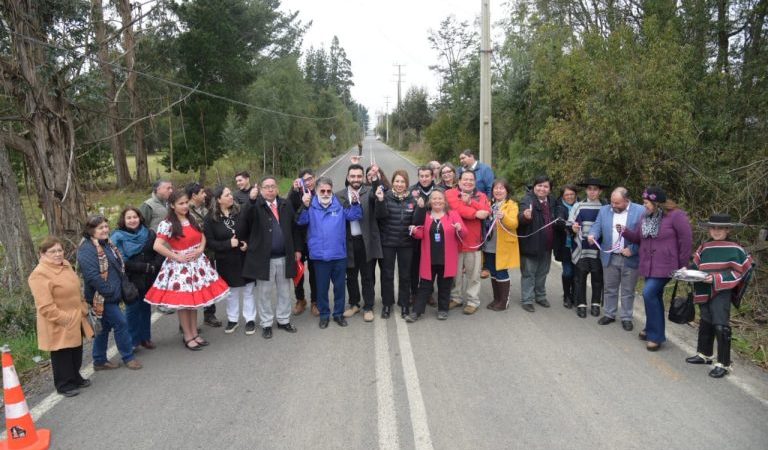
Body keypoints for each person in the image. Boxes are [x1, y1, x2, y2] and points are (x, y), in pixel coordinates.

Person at [145, 190, 230, 350]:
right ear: (172, 205)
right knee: (184, 304)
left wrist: (200, 249)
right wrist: (176, 257)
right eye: (180, 204)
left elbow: (202, 236)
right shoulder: (167, 223)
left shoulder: (191, 218)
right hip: (180, 268)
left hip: (197, 264)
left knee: (193, 303)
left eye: (186, 202)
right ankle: (187, 336)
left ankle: (195, 334)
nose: (184, 206)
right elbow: (157, 245)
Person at [621, 186, 692, 351]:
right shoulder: (646, 216)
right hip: (648, 265)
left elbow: (686, 240)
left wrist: (683, 266)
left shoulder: (676, 216)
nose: (644, 205)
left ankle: (656, 336)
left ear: (657, 203)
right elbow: (638, 237)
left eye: (646, 202)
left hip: (667, 265)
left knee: (648, 293)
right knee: (654, 296)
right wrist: (624, 231)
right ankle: (650, 327)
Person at [685, 214, 753, 378]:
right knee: (706, 321)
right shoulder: (705, 246)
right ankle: (704, 354)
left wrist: (716, 278)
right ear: (709, 229)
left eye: (720, 228)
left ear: (728, 229)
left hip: (722, 291)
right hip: (703, 288)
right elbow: (697, 265)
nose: (716, 231)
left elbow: (742, 271)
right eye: (713, 227)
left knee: (720, 325)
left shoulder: (735, 248)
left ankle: (724, 363)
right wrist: (686, 271)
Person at [29, 236, 94, 397]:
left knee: (76, 350)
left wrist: (83, 307)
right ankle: (64, 385)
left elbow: (75, 289)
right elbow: (45, 306)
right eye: (53, 251)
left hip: (76, 315)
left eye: (60, 250)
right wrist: (65, 319)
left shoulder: (65, 265)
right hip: (58, 321)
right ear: (42, 254)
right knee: (62, 354)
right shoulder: (39, 274)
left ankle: (75, 377)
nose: (58, 254)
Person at [77, 215, 142, 370]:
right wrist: (109, 291)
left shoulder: (106, 244)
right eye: (100, 228)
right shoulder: (86, 249)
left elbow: (117, 266)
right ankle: (128, 357)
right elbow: (92, 276)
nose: (105, 230)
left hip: (112, 294)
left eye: (106, 226)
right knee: (121, 323)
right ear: (91, 230)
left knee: (105, 327)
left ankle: (99, 360)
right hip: (101, 297)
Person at [239, 176, 301, 339]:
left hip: (284, 257)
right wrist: (251, 201)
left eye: (273, 186)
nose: (270, 189)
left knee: (284, 292)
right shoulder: (254, 206)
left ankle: (283, 320)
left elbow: (295, 228)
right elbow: (243, 223)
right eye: (266, 187)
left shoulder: (285, 205)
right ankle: (266, 323)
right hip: (264, 259)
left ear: (277, 188)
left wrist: (298, 249)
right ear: (260, 189)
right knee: (264, 293)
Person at [297, 176, 363, 328]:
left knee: (340, 287)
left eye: (328, 190)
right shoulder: (310, 205)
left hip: (338, 255)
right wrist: (304, 205)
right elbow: (300, 221)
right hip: (319, 257)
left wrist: (355, 203)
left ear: (332, 191)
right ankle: (325, 315)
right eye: (322, 191)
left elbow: (355, 215)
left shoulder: (339, 204)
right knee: (322, 288)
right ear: (317, 191)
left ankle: (338, 314)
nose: (326, 193)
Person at [588, 187, 644, 331]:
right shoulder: (605, 210)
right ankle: (609, 314)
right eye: (612, 202)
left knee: (628, 290)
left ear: (626, 200)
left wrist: (633, 249)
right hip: (610, 256)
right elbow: (597, 226)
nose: (613, 206)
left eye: (617, 203)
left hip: (630, 258)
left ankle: (626, 317)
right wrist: (592, 234)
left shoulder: (640, 211)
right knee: (609, 288)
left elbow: (645, 236)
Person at [204, 186, 256, 335]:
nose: (231, 197)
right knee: (232, 292)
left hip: (244, 257)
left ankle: (250, 319)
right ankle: (233, 319)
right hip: (226, 260)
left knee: (248, 290)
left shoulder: (240, 212)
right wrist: (227, 244)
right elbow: (210, 243)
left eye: (231, 194)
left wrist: (247, 243)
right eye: (227, 195)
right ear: (219, 199)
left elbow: (252, 230)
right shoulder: (210, 219)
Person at [407, 190, 465, 321]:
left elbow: (464, 233)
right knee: (424, 287)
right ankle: (417, 311)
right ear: (430, 202)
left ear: (444, 201)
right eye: (434, 199)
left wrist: (459, 228)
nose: (437, 201)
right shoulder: (426, 215)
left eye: (440, 198)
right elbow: (421, 234)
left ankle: (443, 310)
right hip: (430, 258)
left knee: (445, 286)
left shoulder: (453, 214)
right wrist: (414, 231)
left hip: (447, 259)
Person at [111, 207, 164, 350]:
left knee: (146, 307)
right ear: (124, 220)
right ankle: (132, 342)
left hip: (148, 278)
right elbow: (120, 260)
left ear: (140, 217)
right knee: (132, 310)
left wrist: (154, 265)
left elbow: (159, 251)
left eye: (135, 217)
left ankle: (145, 338)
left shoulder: (149, 233)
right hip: (130, 279)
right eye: (129, 218)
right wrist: (143, 267)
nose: (132, 220)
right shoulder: (117, 237)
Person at [337, 164, 382, 320]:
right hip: (348, 243)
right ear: (348, 177)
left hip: (366, 242)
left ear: (363, 177)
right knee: (351, 276)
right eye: (353, 176)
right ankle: (354, 304)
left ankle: (368, 307)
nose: (356, 179)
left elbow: (377, 193)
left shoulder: (369, 192)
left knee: (367, 276)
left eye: (358, 176)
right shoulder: (339, 195)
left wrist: (375, 179)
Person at [445, 169, 491, 314]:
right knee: (455, 274)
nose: (468, 182)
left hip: (474, 242)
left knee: (474, 275)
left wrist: (470, 202)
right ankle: (456, 298)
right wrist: (475, 213)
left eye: (471, 180)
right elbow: (456, 208)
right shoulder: (450, 193)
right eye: (465, 179)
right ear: (458, 181)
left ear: (475, 182)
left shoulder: (481, 195)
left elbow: (486, 211)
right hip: (455, 241)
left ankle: (473, 301)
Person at [375, 170, 418, 319]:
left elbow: (416, 222)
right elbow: (380, 216)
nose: (399, 184)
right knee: (387, 275)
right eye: (397, 181)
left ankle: (404, 304)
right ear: (392, 182)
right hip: (388, 243)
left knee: (405, 275)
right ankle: (387, 304)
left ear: (407, 184)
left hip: (406, 244)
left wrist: (421, 206)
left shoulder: (413, 200)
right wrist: (380, 201)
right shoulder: (385, 197)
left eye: (402, 182)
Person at [569, 178, 608, 318]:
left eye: (595, 189)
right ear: (586, 190)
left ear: (600, 191)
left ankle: (596, 303)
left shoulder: (605, 208)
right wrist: (573, 228)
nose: (592, 192)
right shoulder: (578, 206)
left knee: (597, 278)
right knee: (580, 277)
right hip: (582, 247)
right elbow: (570, 223)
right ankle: (581, 304)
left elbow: (608, 228)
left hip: (598, 248)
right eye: (590, 189)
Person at [517, 175, 557, 312]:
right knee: (529, 273)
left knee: (543, 272)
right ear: (534, 187)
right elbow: (521, 216)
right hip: (531, 245)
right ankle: (527, 299)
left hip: (547, 245)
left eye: (545, 186)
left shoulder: (552, 201)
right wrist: (525, 216)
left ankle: (540, 296)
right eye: (539, 185)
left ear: (550, 189)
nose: (542, 189)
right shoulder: (527, 200)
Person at [186, 182, 221, 328]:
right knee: (189, 288)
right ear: (194, 195)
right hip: (191, 256)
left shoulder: (207, 208)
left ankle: (209, 314)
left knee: (209, 284)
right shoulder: (185, 210)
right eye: (202, 193)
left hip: (208, 253)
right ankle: (186, 323)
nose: (205, 194)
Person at [483, 179, 520, 311]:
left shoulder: (511, 205)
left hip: (503, 246)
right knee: (493, 271)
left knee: (501, 272)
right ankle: (496, 299)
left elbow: (513, 224)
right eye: (496, 188)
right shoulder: (488, 204)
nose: (498, 190)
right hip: (489, 245)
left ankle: (504, 302)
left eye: (501, 188)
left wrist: (503, 216)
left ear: (507, 191)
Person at [288, 168, 318, 316]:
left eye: (311, 178)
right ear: (300, 181)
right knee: (298, 271)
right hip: (298, 239)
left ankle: (315, 301)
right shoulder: (296, 194)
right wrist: (294, 190)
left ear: (315, 178)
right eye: (305, 180)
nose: (309, 182)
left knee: (315, 272)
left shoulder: (321, 192)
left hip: (314, 239)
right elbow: (288, 208)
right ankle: (300, 299)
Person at [409, 166, 438, 305]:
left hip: (433, 234)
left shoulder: (439, 191)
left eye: (427, 176)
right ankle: (414, 292)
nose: (424, 179)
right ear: (418, 176)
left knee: (430, 265)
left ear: (432, 176)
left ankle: (428, 293)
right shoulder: (412, 191)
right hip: (416, 235)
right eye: (421, 176)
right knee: (414, 265)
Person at [553, 185, 578, 308]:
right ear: (563, 195)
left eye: (572, 194)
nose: (569, 196)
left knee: (577, 272)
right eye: (567, 194)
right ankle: (567, 295)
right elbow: (558, 223)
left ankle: (575, 294)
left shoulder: (581, 206)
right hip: (565, 245)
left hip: (579, 246)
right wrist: (569, 226)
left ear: (575, 194)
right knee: (568, 272)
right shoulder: (559, 207)